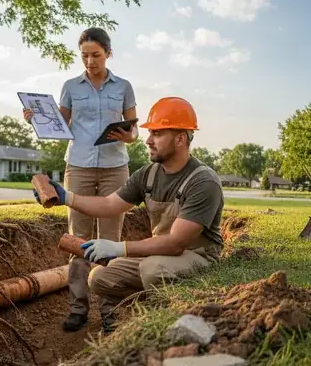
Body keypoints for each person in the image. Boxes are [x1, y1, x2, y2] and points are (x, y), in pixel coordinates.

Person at [34, 96, 224, 334]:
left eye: (157, 134)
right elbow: (108, 205)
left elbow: (176, 244)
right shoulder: (148, 175)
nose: (148, 141)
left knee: (153, 270)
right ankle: (137, 312)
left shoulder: (203, 181)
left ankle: (164, 319)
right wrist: (66, 198)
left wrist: (118, 248)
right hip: (159, 254)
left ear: (180, 138)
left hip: (197, 256)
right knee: (100, 277)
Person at [23, 27, 139, 331]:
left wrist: (130, 136)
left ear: (108, 53)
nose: (90, 61)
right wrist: (36, 117)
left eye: (96, 55)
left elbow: (135, 132)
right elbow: (58, 123)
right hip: (78, 166)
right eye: (85, 55)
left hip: (115, 167)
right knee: (78, 239)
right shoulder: (71, 87)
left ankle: (110, 311)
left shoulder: (124, 86)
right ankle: (78, 308)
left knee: (110, 240)